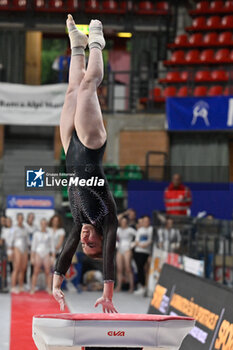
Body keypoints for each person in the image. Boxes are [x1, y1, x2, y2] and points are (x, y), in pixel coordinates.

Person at [52, 15, 118, 313]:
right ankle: (96, 43)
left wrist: (56, 284)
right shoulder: (107, 217)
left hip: (69, 147)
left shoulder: (79, 221)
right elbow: (110, 253)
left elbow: (66, 253)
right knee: (87, 86)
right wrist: (108, 292)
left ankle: (76, 46)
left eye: (85, 244)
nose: (85, 238)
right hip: (91, 145)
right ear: (101, 239)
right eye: (92, 243)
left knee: (71, 91)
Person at [30, 218, 55, 294]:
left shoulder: (49, 234)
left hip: (46, 253)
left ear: (46, 224)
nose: (43, 225)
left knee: (48, 272)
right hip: (38, 253)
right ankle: (33, 288)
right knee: (35, 271)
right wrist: (32, 257)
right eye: (42, 223)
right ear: (40, 224)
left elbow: (52, 247)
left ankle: (49, 288)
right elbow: (33, 246)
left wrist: (53, 257)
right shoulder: (36, 234)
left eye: (45, 223)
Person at [133, 215, 153, 295]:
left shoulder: (151, 230)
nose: (145, 222)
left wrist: (145, 245)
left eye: (147, 221)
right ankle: (142, 286)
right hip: (138, 251)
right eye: (144, 221)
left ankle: (145, 286)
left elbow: (151, 240)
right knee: (139, 268)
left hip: (146, 252)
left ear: (149, 222)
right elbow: (136, 240)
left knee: (143, 268)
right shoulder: (140, 230)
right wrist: (140, 245)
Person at [115, 216, 136, 292]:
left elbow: (138, 237)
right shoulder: (118, 230)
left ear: (127, 222)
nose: (123, 223)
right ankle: (119, 286)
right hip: (120, 249)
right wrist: (116, 243)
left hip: (127, 249)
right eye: (122, 222)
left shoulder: (130, 230)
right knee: (119, 269)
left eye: (125, 222)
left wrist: (132, 244)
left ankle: (131, 287)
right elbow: (113, 237)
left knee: (128, 268)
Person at [11, 213, 29, 293]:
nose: (21, 219)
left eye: (22, 218)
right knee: (16, 268)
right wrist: (11, 251)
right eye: (19, 218)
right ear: (17, 219)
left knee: (23, 268)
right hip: (17, 247)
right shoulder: (13, 228)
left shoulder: (25, 228)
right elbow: (10, 239)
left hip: (24, 248)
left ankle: (21, 286)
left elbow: (27, 239)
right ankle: (13, 286)